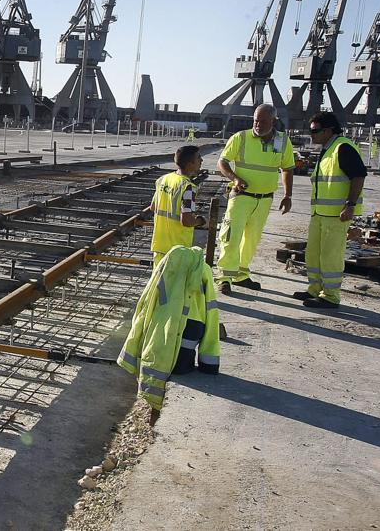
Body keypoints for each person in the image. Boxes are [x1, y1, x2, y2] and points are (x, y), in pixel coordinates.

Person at [117, 245, 220, 418]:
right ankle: (155, 409)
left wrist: (134, 344)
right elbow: (212, 316)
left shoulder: (166, 265)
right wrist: (209, 365)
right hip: (191, 334)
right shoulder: (204, 270)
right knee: (183, 354)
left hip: (163, 327)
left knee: (156, 348)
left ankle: (153, 406)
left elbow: (144, 305)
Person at [214, 104, 295, 294]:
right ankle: (224, 276)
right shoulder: (241, 138)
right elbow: (222, 162)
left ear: (274, 121)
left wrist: (288, 195)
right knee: (231, 236)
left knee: (251, 239)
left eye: (263, 121)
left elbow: (287, 168)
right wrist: (235, 178)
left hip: (264, 199)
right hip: (241, 197)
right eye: (256, 121)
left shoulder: (283, 141)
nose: (258, 125)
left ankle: (241, 275)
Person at [295, 112, 367, 309]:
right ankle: (315, 289)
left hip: (336, 215)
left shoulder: (342, 148)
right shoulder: (328, 149)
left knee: (330, 256)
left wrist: (350, 205)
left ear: (328, 130)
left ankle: (330, 296)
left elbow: (359, 176)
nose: (312, 135)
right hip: (320, 213)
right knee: (314, 254)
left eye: (315, 131)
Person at [147, 145, 205, 266]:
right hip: (178, 249)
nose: (201, 160)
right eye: (198, 157)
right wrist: (200, 221)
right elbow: (187, 221)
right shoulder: (187, 187)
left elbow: (153, 207)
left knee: (158, 283)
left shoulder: (163, 180)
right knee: (174, 284)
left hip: (159, 244)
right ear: (190, 164)